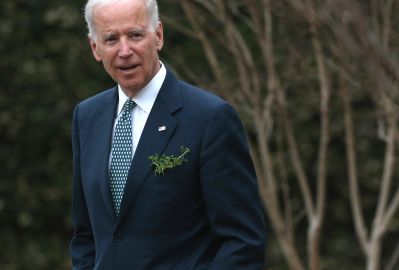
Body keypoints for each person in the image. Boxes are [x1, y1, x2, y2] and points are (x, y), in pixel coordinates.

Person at [70, 0, 266, 269]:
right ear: (95, 48)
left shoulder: (210, 117)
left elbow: (242, 242)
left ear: (158, 36)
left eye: (135, 35)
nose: (125, 50)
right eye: (111, 39)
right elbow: (85, 234)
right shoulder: (86, 116)